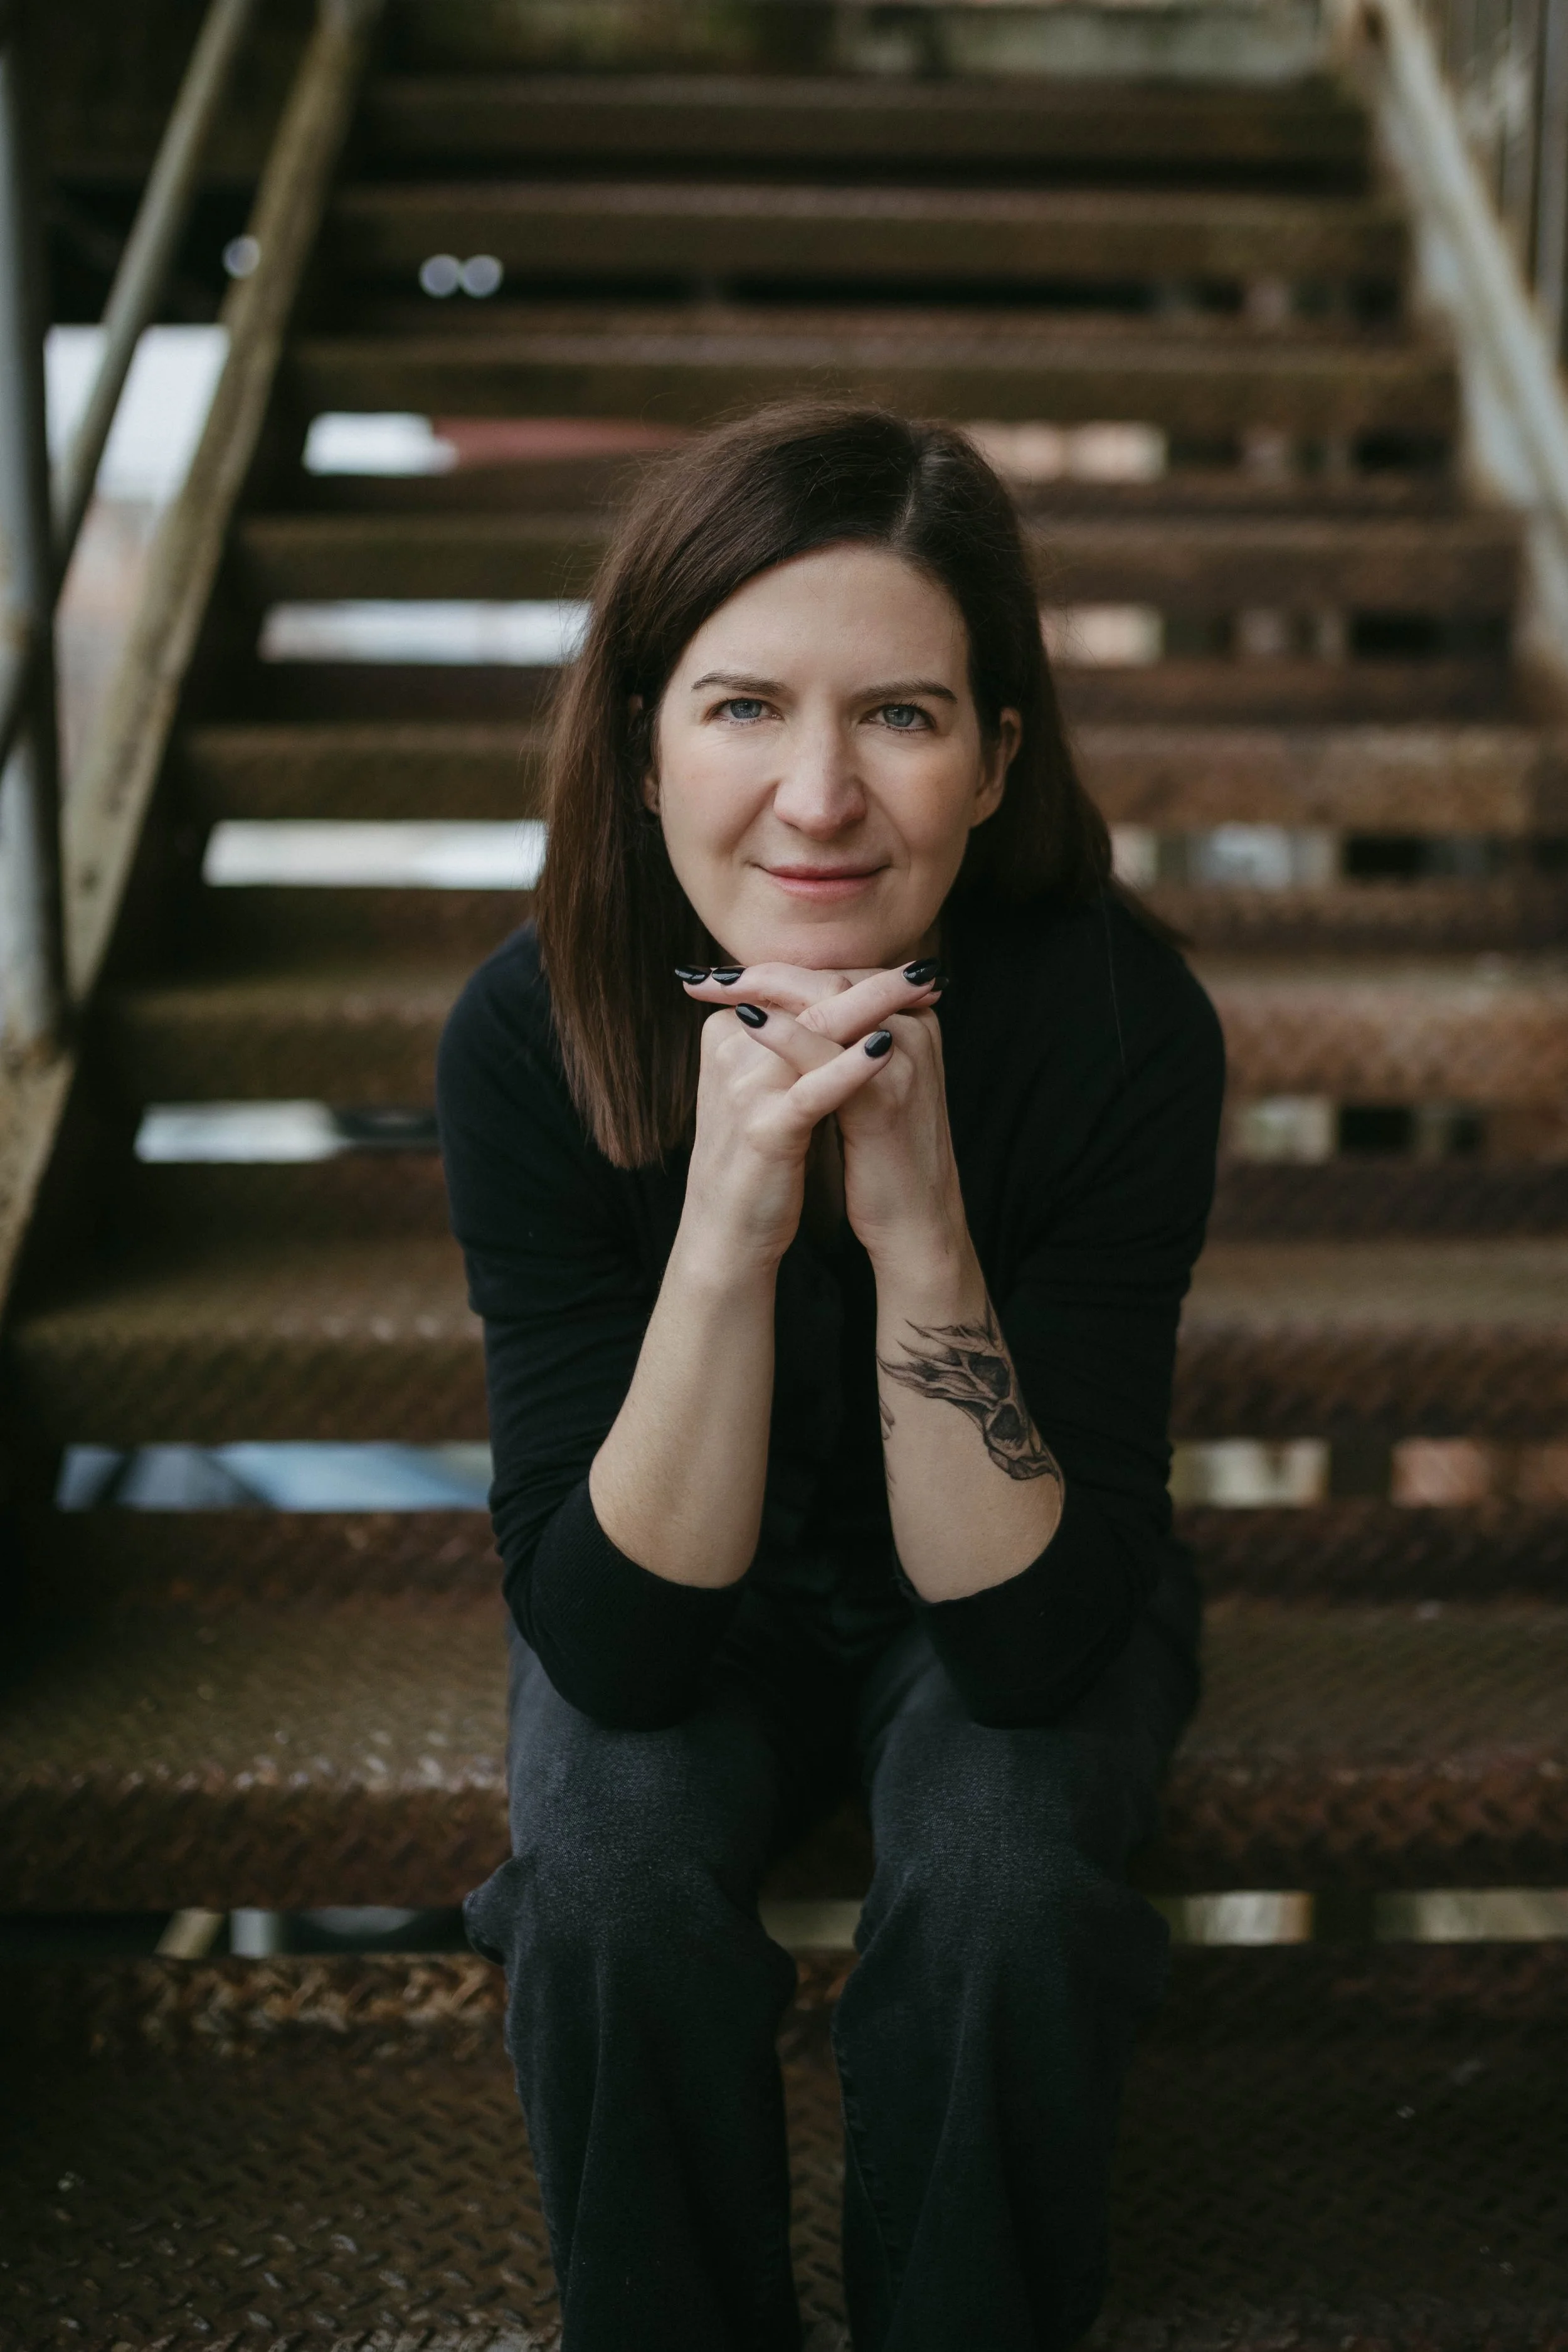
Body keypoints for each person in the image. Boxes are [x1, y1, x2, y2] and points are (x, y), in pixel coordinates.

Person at [438, 400, 1224, 2352]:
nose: (816, 798)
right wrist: (725, 1229)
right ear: (641, 744)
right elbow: (617, 1648)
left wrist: (917, 1223)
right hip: (681, 1586)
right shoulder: (529, 1032)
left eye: (898, 714)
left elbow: (1032, 1648)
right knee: (604, 1880)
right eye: (740, 707)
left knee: (1006, 1874)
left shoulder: (1117, 1020)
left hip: (1014, 1568)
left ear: (994, 760)